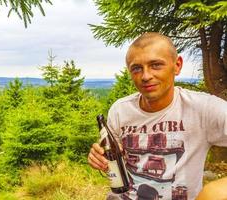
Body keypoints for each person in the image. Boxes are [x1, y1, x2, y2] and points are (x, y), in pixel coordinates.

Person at [88, 32, 227, 200]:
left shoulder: (204, 108)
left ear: (177, 65)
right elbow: (114, 157)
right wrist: (101, 157)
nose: (146, 76)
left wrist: (215, 192)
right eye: (137, 68)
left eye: (156, 65)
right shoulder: (119, 110)